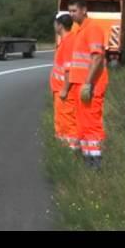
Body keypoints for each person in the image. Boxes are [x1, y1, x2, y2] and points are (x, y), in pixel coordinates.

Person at [67, 0, 109, 170]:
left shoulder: (92, 29)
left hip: (90, 85)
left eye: (74, 11)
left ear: (84, 10)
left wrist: (88, 83)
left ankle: (95, 163)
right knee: (83, 124)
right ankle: (87, 160)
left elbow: (97, 57)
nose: (71, 14)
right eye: (69, 11)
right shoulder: (79, 30)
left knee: (92, 124)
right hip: (80, 84)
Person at [50, 12, 78, 150]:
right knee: (61, 123)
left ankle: (70, 151)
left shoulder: (68, 42)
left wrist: (65, 89)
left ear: (60, 25)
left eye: (55, 23)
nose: (54, 25)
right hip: (61, 91)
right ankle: (63, 149)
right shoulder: (67, 41)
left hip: (65, 93)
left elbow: (69, 69)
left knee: (67, 123)